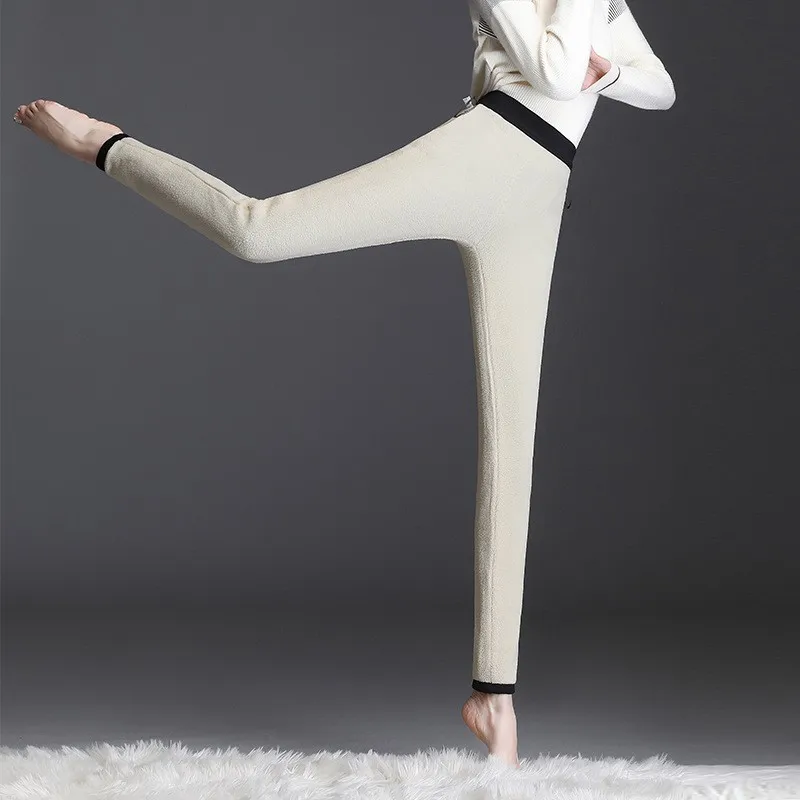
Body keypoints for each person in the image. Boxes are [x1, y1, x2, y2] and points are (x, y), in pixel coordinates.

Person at [11, 0, 675, 769]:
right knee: (259, 230)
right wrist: (592, 53)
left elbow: (659, 87)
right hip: (487, 151)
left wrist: (611, 69)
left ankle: (494, 699)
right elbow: (557, 73)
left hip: (540, 188)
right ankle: (104, 144)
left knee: (513, 446)